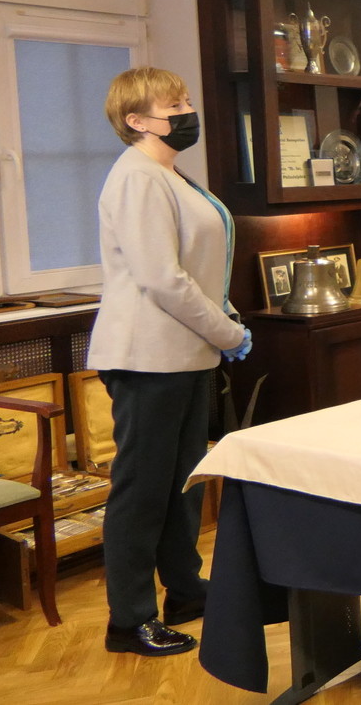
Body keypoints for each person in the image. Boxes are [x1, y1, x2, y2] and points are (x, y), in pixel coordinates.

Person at [87, 67, 250, 657]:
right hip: (147, 356)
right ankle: (129, 620)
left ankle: (183, 589)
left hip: (185, 353)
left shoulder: (170, 173)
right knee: (142, 491)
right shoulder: (137, 176)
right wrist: (227, 331)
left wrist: (225, 321)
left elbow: (201, 268)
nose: (186, 112)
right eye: (173, 105)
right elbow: (162, 278)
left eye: (185, 101)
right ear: (136, 120)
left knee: (182, 484)